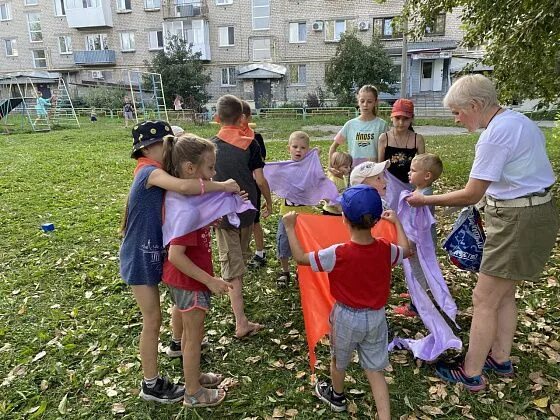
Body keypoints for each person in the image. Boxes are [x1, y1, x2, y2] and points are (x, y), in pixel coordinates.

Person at [407, 74, 559, 391]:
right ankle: (500, 358)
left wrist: (424, 199)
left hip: (518, 219)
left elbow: (470, 193)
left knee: (484, 298)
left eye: (457, 112)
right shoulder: (519, 121)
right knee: (503, 293)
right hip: (534, 212)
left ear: (475, 105)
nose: (457, 118)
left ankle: (471, 373)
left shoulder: (494, 136)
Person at [119, 120, 241, 403]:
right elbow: (186, 187)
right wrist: (222, 186)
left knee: (165, 315)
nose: (171, 151)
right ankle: (150, 384)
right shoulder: (149, 171)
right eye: (168, 145)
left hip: (153, 253)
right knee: (152, 319)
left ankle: (181, 358)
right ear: (149, 147)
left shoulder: (154, 169)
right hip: (139, 256)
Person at [283, 185, 410, 419]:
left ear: (343, 218)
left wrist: (290, 227)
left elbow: (301, 259)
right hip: (376, 317)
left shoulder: (338, 253)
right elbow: (406, 250)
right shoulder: (385, 249)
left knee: (338, 361)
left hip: (345, 318)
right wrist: (397, 223)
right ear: (375, 221)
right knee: (375, 369)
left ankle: (337, 397)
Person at [162, 135, 233, 408]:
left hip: (179, 281)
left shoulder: (181, 196)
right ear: (190, 169)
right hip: (189, 282)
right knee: (194, 338)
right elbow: (176, 255)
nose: (214, 174)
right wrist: (210, 280)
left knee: (185, 328)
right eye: (211, 168)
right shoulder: (187, 210)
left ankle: (195, 375)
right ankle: (193, 392)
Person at [211, 94, 273, 338]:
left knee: (234, 266)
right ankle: (241, 319)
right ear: (242, 118)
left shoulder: (210, 146)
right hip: (248, 212)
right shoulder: (252, 143)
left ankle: (240, 321)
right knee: (239, 263)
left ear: (217, 118)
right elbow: (259, 179)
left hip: (223, 216)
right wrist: (268, 200)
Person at [394, 153, 443, 317]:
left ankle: (416, 305)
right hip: (417, 240)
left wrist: (410, 242)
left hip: (419, 243)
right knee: (413, 268)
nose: (409, 173)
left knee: (418, 271)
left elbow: (418, 224)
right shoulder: (421, 191)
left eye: (413, 170)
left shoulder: (423, 197)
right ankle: (414, 292)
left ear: (427, 176)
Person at [274, 131, 320, 287]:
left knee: (305, 245)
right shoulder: (284, 168)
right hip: (286, 214)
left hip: (306, 216)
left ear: (308, 150)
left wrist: (315, 161)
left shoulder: (310, 169)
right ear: (289, 148)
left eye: (303, 148)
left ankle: (303, 272)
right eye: (295, 147)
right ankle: (285, 271)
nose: (298, 150)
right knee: (283, 242)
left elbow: (318, 183)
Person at [328, 85, 388, 170]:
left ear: (375, 102)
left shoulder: (382, 125)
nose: (365, 105)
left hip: (374, 173)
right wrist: (331, 167)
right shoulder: (350, 125)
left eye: (369, 101)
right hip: (354, 172)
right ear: (358, 102)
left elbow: (388, 151)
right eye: (362, 101)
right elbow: (333, 147)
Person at [239, 100, 268, 269]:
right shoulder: (225, 139)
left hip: (252, 186)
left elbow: (260, 163)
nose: (240, 120)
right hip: (234, 187)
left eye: (243, 116)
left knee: (254, 220)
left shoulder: (255, 138)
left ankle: (260, 252)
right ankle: (243, 252)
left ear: (249, 117)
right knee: (238, 222)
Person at [378, 99, 425, 184]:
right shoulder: (384, 138)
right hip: (388, 186)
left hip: (409, 185)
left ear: (411, 119)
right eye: (397, 118)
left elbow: (422, 167)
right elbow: (380, 166)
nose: (401, 122)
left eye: (405, 118)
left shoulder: (418, 139)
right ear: (391, 117)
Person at [322, 151, 352, 215]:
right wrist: (337, 206)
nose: (349, 169)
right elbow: (326, 197)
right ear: (336, 166)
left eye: (349, 166)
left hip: (339, 212)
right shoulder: (332, 180)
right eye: (346, 167)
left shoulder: (343, 177)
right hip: (330, 212)